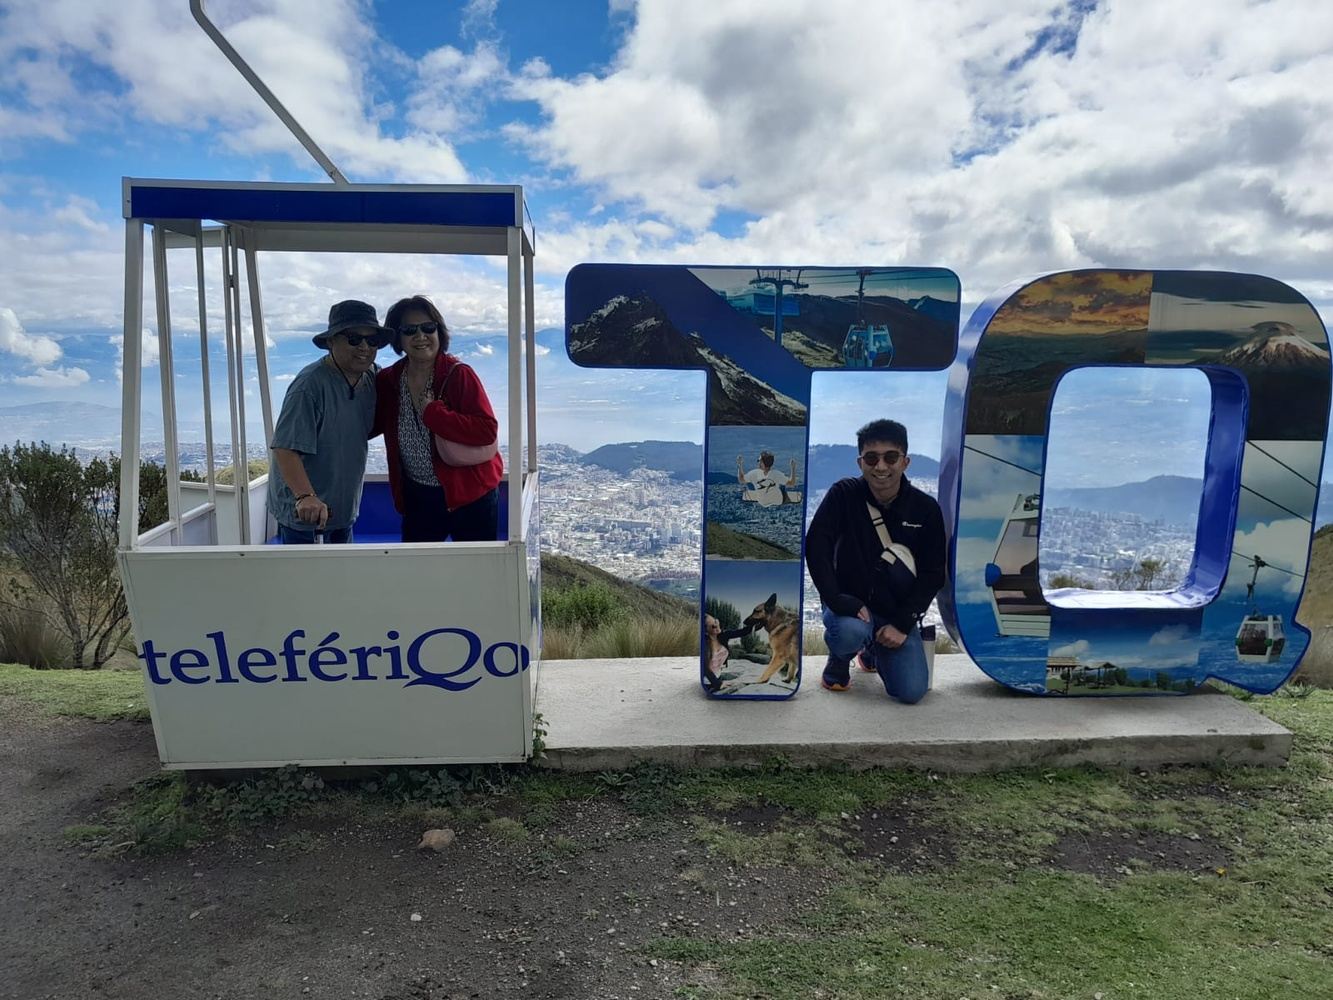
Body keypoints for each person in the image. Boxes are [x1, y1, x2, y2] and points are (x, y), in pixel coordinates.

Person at [804, 419, 945, 703]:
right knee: (849, 632)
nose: (881, 467)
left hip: (895, 611)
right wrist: (836, 598)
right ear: (860, 462)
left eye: (890, 457)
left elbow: (932, 573)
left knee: (912, 691)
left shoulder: (925, 509)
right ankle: (840, 659)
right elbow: (816, 546)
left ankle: (871, 651)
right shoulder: (843, 495)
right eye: (872, 458)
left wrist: (903, 624)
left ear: (905, 461)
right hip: (850, 605)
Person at [374, 295, 503, 542]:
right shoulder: (389, 380)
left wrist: (434, 413)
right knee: (419, 573)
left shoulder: (458, 375)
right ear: (398, 338)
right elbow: (373, 422)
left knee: (474, 573)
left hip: (470, 496)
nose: (420, 336)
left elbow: (487, 430)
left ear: (439, 332)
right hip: (418, 496)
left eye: (428, 327)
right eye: (410, 330)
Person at [267, 300, 390, 544]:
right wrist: (305, 496)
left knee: (342, 578)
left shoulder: (372, 377)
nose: (364, 346)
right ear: (331, 341)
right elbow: (285, 448)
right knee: (307, 581)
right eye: (354, 338)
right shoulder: (309, 386)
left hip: (343, 510)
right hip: (305, 516)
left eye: (372, 340)